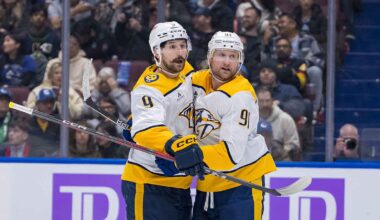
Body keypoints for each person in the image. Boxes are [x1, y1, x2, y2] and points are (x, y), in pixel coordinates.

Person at [121, 21, 204, 219]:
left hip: (180, 184)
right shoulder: (148, 88)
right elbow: (148, 129)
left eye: (183, 46)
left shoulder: (185, 71)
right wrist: (173, 145)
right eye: (172, 46)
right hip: (149, 183)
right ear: (157, 51)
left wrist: (135, 118)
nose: (180, 52)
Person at [190, 31, 277, 219]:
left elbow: (231, 153)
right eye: (221, 55)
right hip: (208, 184)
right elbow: (170, 98)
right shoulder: (197, 81)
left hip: (241, 183)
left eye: (233, 56)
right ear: (210, 57)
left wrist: (190, 154)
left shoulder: (240, 95)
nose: (227, 62)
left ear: (240, 61)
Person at [257, 86, 301, 161]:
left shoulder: (286, 119)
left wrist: (281, 151)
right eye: (261, 101)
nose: (265, 104)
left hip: (281, 163)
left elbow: (295, 145)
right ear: (256, 102)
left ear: (272, 101)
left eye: (267, 101)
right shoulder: (249, 118)